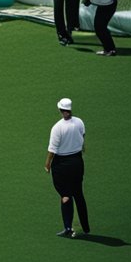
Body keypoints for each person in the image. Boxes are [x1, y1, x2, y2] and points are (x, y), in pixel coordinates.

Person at [45, 97, 89, 238]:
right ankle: (85, 226)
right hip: (77, 161)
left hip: (61, 165)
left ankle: (68, 228)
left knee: (65, 195)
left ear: (60, 110)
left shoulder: (57, 128)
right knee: (78, 193)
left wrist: (47, 165)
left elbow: (52, 150)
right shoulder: (79, 122)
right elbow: (83, 137)